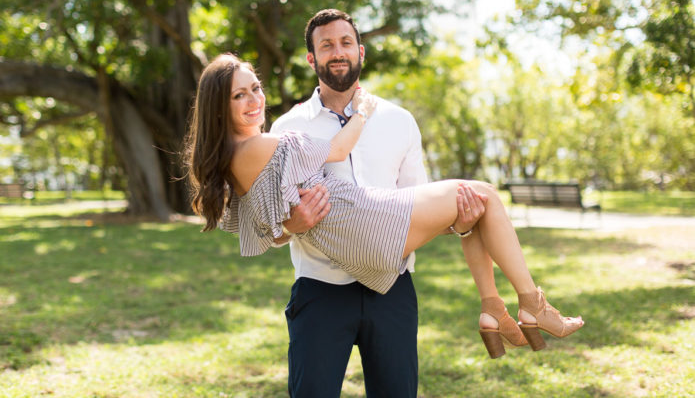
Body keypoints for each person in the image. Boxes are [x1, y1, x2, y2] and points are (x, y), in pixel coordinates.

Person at [183, 33, 583, 391]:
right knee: (487, 195)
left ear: (360, 51)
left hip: (387, 275)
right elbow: (302, 192)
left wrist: (456, 223)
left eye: (255, 88)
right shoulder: (281, 133)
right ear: (311, 58)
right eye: (240, 95)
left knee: (474, 205)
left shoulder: (398, 121)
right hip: (337, 266)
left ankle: (493, 308)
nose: (255, 101)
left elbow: (258, 220)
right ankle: (530, 303)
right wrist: (362, 112)